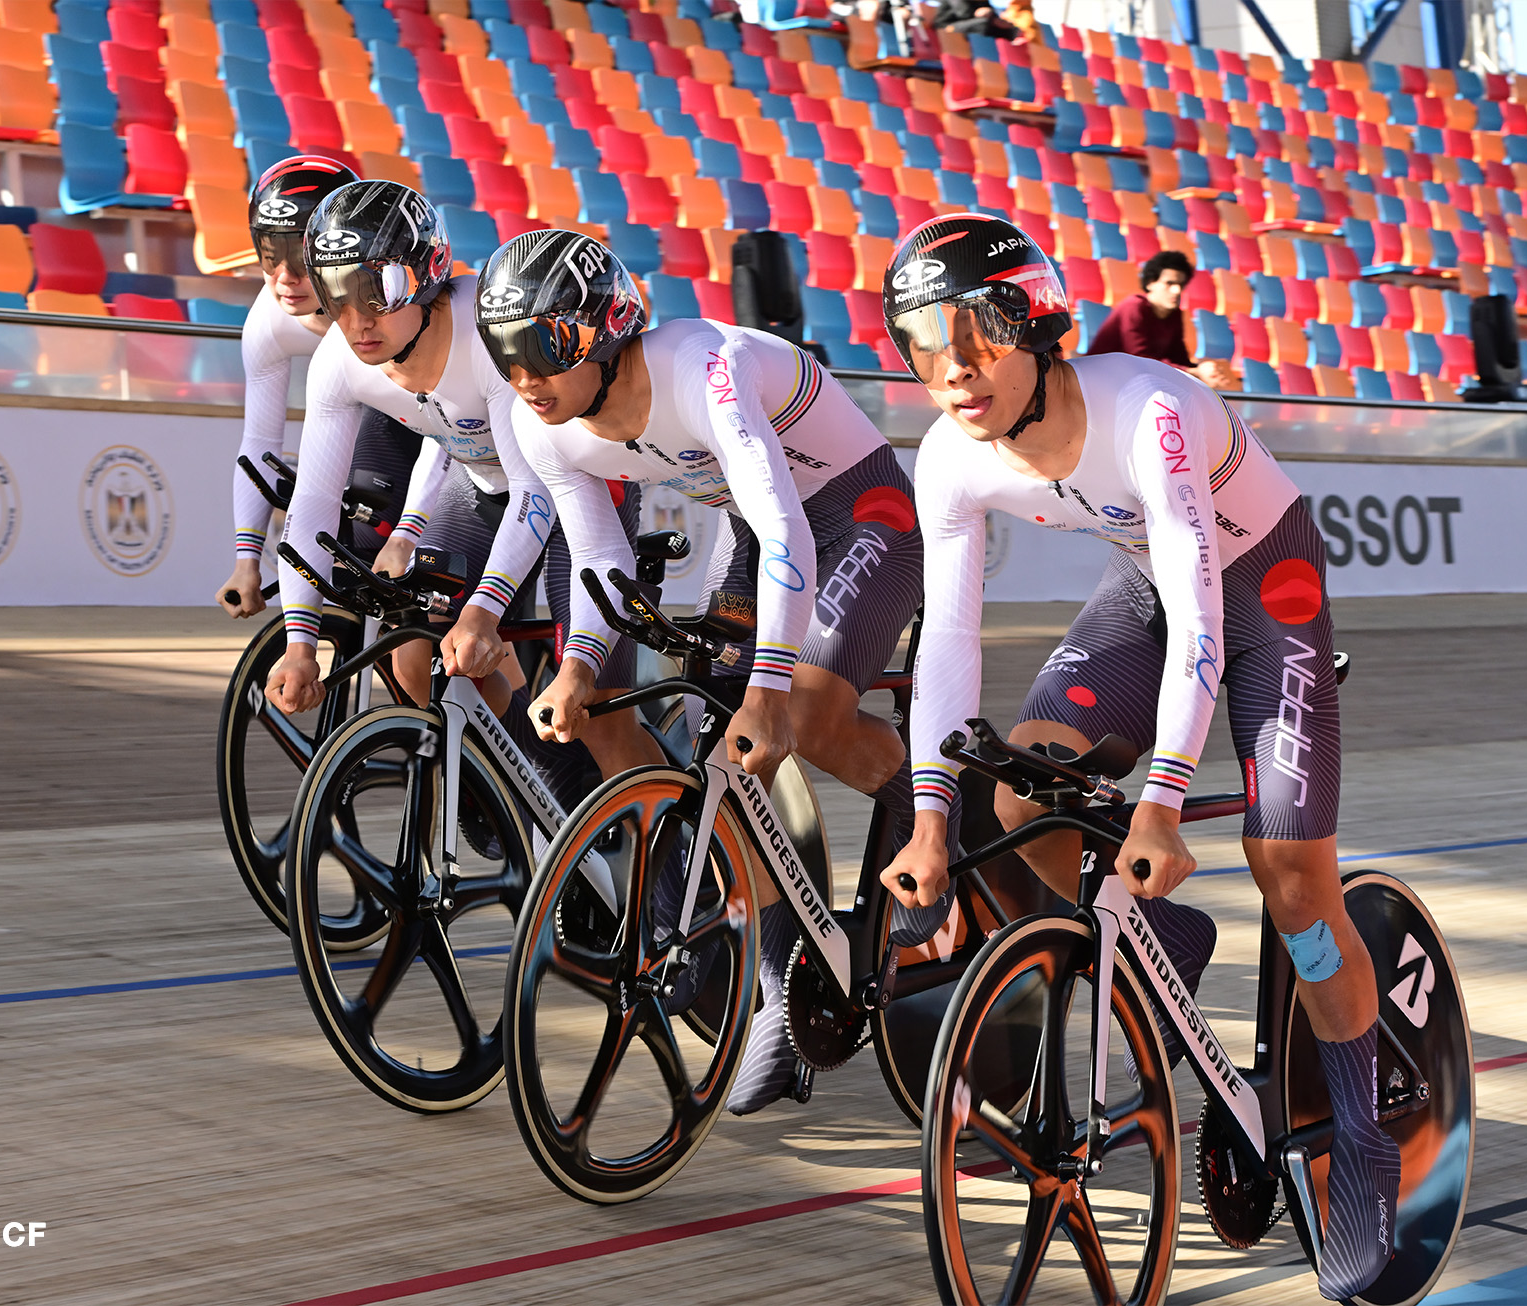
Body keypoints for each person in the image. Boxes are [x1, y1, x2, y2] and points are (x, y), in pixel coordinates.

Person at [877, 214, 1397, 1303]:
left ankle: (1358, 1136)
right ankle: (1160, 939)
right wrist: (931, 817)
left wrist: (1159, 802)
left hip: (1263, 593)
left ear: (1039, 324)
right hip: (1145, 589)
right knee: (1017, 791)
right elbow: (949, 640)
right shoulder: (946, 457)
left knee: (1293, 878)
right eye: (924, 345)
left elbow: (1207, 621)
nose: (954, 371)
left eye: (975, 335)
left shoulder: (1148, 411)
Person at [472, 228, 935, 1115]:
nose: (524, 378)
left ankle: (926, 823)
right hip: (765, 538)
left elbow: (791, 529)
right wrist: (575, 667)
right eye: (505, 353)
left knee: (800, 713)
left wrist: (767, 689)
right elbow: (599, 552)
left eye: (543, 349)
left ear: (605, 331)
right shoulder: (551, 429)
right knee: (722, 743)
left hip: (864, 521)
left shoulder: (702, 367)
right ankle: (780, 979)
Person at [262, 183, 629, 799]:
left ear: (427, 275)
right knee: (414, 648)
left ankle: (654, 867)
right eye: (337, 295)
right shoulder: (337, 360)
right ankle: (536, 791)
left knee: (600, 717)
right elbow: (314, 505)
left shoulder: (484, 340)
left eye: (377, 292)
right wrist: (301, 640)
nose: (357, 321)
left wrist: (484, 611)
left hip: (577, 493)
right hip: (486, 486)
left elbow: (536, 493)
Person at [215, 156, 431, 625]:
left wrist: (408, 531)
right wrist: (246, 561)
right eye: (270, 255)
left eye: (301, 254)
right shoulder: (267, 323)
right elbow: (259, 443)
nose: (285, 277)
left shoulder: (393, 306)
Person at [1087, 249, 1238, 390]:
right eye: (1169, 283)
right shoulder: (1133, 307)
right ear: (1150, 283)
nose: (1177, 291)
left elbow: (1179, 358)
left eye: (1181, 285)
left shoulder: (1174, 314)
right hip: (1102, 383)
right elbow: (1139, 359)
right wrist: (1196, 373)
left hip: (1133, 383)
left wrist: (1206, 370)